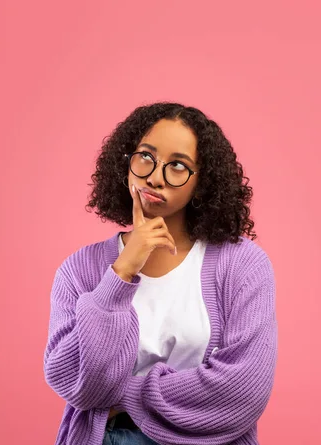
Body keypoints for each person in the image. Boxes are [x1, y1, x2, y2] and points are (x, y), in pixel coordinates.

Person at [43, 102, 278, 445]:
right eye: (146, 158)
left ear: (203, 183)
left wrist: (123, 395)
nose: (154, 177)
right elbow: (74, 380)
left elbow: (243, 391)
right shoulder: (81, 270)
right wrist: (122, 271)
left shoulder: (243, 265)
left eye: (178, 166)